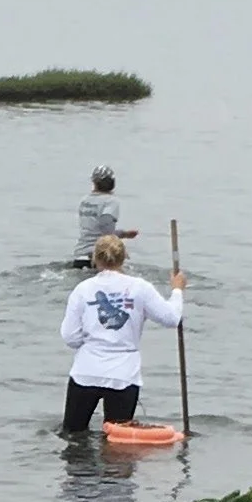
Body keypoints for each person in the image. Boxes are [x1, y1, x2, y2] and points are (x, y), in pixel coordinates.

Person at [60, 235, 186, 432]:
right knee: (117, 446)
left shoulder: (82, 290)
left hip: (86, 371)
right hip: (123, 375)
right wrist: (177, 290)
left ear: (95, 258)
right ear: (124, 257)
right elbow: (171, 318)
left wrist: (92, 344)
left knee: (72, 435)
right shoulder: (140, 288)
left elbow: (70, 336)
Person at [72, 165, 137, 267]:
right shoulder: (111, 201)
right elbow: (105, 227)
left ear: (94, 182)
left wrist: (124, 234)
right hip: (100, 258)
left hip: (80, 256)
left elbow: (93, 228)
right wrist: (121, 248)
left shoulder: (85, 201)